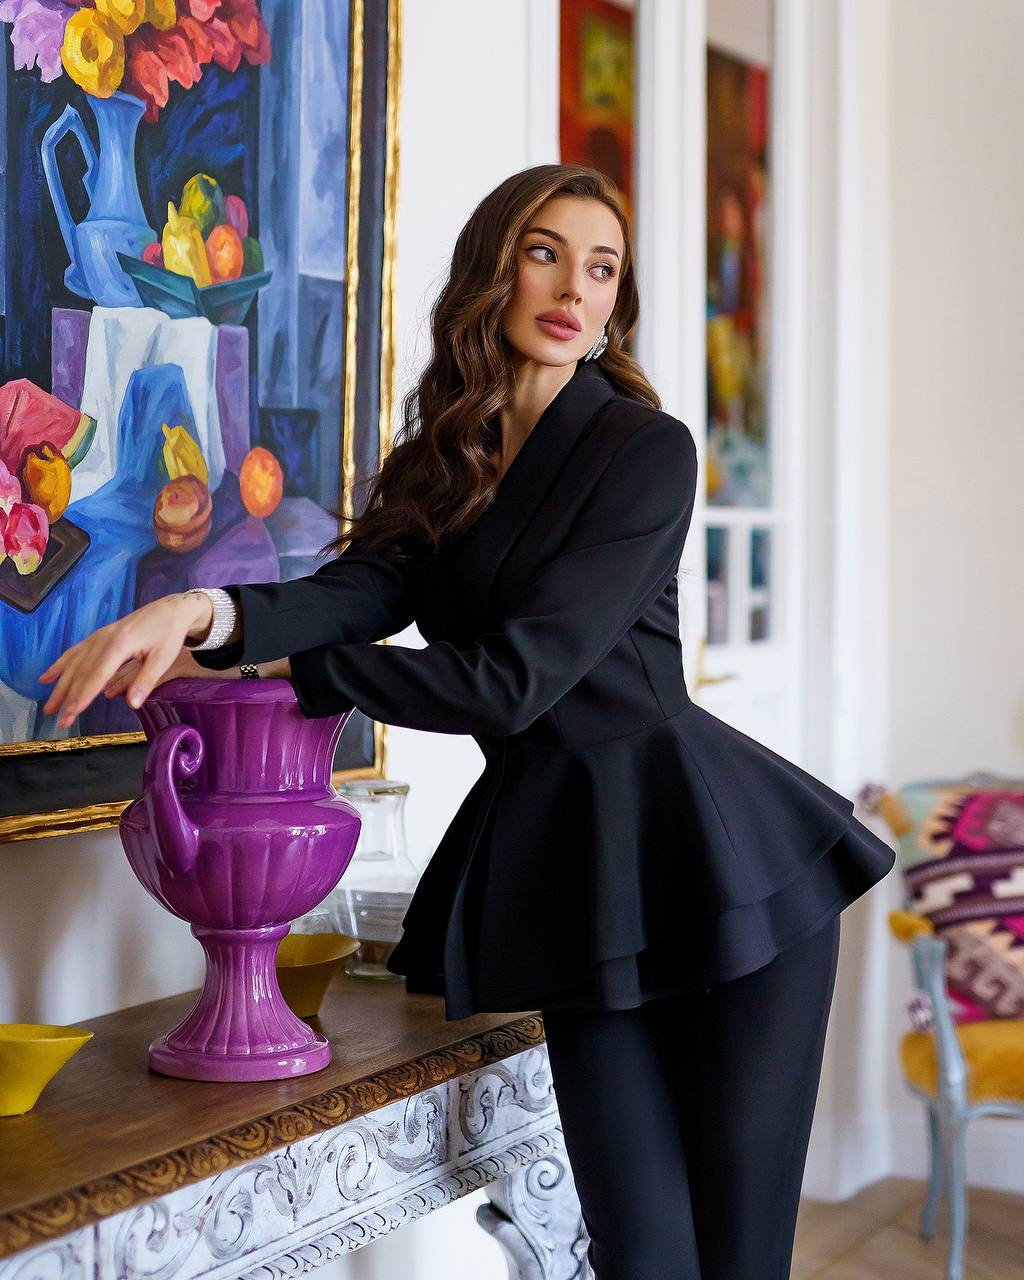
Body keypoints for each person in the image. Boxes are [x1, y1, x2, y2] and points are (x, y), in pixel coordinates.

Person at [38, 163, 895, 1279]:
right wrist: (199, 611)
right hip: (578, 873)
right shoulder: (442, 462)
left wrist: (312, 672)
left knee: (736, 1258)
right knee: (642, 1254)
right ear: (495, 268)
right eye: (546, 253)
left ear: (615, 301)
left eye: (602, 268)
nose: (573, 288)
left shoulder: (644, 449)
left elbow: (514, 681)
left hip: (718, 861)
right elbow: (353, 592)